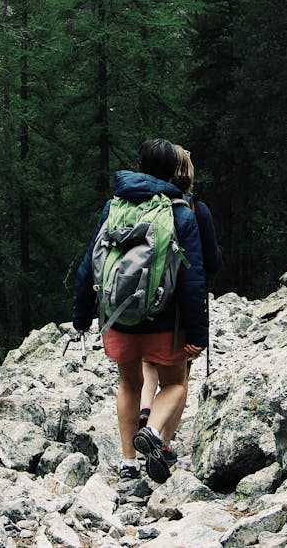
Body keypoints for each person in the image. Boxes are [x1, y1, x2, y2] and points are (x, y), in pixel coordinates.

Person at [73, 139, 208, 484]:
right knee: (175, 384)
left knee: (129, 385)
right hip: (166, 321)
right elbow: (194, 279)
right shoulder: (179, 212)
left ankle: (129, 463)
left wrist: (82, 316)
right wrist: (198, 334)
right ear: (174, 170)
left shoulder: (115, 207)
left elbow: (90, 265)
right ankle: (155, 433)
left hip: (118, 318)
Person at [139, 146, 222, 434]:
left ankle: (145, 407)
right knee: (178, 380)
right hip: (178, 310)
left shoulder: (144, 204)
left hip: (142, 298)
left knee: (148, 361)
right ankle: (162, 442)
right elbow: (211, 263)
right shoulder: (197, 210)